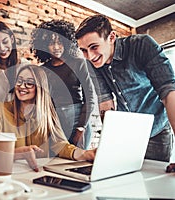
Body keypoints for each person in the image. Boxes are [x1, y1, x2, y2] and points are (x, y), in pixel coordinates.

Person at [75, 14, 175, 172]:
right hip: (126, 134)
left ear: (112, 37)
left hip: (157, 130)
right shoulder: (91, 62)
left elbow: (169, 92)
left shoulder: (142, 45)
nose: (90, 56)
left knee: (155, 181)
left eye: (94, 47)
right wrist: (109, 144)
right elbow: (105, 104)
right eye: (84, 51)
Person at [0, 65, 96, 171]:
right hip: (9, 173)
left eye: (29, 83)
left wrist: (85, 154)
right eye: (19, 81)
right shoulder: (1, 109)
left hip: (38, 174)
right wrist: (18, 153)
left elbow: (61, 145)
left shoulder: (48, 112)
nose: (22, 86)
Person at [30, 19, 96, 149]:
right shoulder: (42, 70)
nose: (56, 47)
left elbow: (90, 98)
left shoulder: (79, 63)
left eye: (60, 42)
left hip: (78, 119)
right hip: (55, 122)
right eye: (51, 43)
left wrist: (81, 128)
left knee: (78, 161)